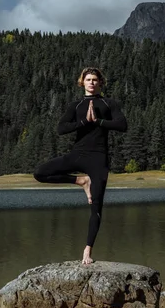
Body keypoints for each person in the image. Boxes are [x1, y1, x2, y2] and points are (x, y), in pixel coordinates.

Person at [33, 67, 127, 264]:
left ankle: (87, 251)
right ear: (82, 82)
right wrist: (84, 122)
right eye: (88, 80)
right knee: (40, 173)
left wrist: (99, 121)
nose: (91, 83)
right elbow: (61, 128)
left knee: (96, 207)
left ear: (101, 82)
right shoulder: (76, 105)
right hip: (78, 154)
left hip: (99, 158)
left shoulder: (108, 103)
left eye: (95, 80)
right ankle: (81, 181)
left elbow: (122, 125)